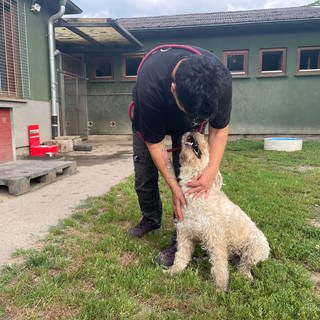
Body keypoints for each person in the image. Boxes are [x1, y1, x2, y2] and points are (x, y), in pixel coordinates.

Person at [128, 44, 232, 268]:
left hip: (185, 130)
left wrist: (210, 172)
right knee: (145, 175)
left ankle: (179, 240)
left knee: (191, 182)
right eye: (191, 112)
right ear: (173, 89)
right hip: (149, 122)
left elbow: (219, 130)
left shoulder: (219, 79)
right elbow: (155, 145)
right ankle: (150, 218)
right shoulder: (150, 83)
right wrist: (174, 188)